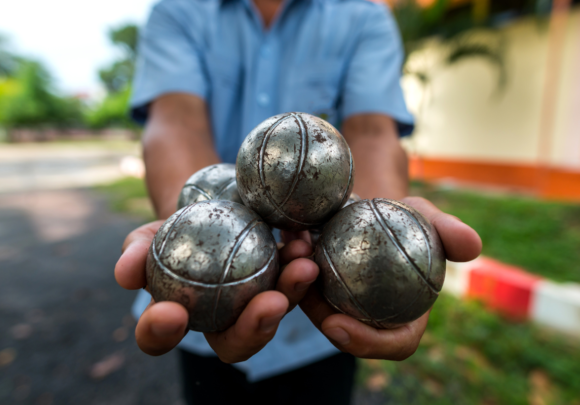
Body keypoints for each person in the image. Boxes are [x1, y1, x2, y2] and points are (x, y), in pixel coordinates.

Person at [114, 0, 483, 403]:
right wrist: (184, 222)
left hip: (321, 315)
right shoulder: (178, 10)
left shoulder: (365, 16)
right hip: (200, 315)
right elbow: (175, 121)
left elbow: (374, 133)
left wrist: (386, 235)